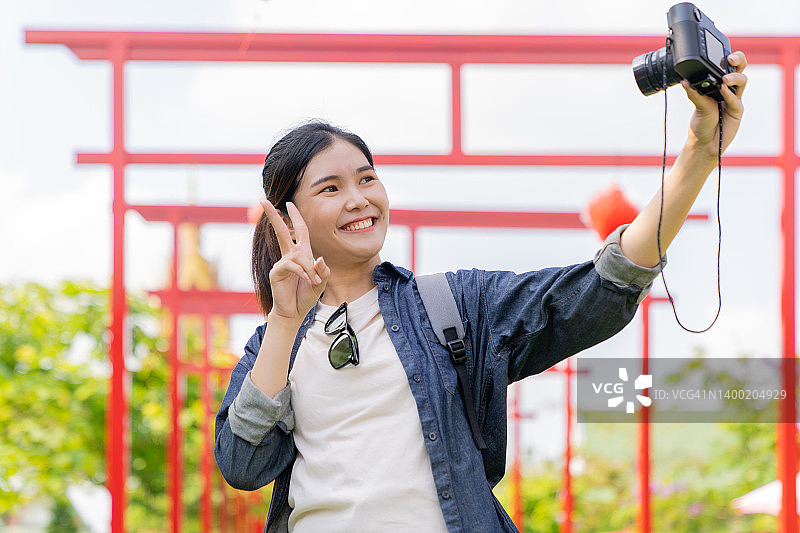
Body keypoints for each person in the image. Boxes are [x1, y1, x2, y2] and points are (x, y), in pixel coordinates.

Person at [215, 52, 747, 532]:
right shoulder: (273, 346)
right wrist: (285, 321)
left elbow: (595, 292)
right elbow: (242, 466)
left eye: (367, 179)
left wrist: (700, 149)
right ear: (290, 216)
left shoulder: (452, 308)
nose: (359, 199)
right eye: (330, 188)